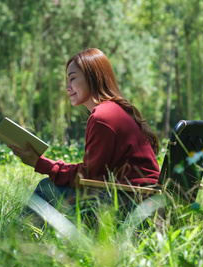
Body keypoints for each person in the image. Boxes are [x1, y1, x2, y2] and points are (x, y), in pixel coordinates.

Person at [9, 48, 160, 215]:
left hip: (134, 205)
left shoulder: (103, 116)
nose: (67, 87)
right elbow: (95, 175)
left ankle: (18, 238)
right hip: (144, 200)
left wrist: (41, 163)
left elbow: (87, 177)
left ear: (92, 77)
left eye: (72, 78)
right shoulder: (115, 110)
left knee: (46, 188)